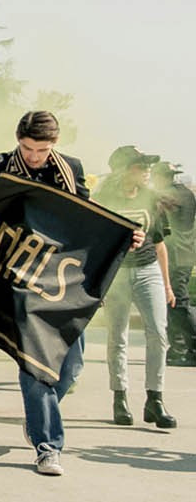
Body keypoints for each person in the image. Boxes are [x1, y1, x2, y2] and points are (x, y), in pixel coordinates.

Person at [0, 111, 97, 476]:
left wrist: (126, 237)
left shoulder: (71, 169)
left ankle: (37, 415)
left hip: (63, 279)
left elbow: (89, 218)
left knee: (71, 366)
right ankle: (48, 446)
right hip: (19, 279)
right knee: (38, 367)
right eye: (27, 148)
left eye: (41, 150)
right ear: (17, 140)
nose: (33, 157)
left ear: (54, 145)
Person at [94, 145, 177, 430]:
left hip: (148, 269)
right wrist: (98, 283)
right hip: (116, 273)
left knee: (158, 332)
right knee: (118, 336)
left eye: (148, 167)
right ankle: (120, 398)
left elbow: (159, 242)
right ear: (124, 169)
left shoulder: (150, 198)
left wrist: (166, 285)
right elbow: (95, 242)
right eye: (141, 166)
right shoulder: (103, 197)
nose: (147, 171)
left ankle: (155, 400)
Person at [153, 161, 196, 367]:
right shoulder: (182, 192)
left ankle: (193, 346)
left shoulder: (177, 194)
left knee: (178, 302)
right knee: (169, 303)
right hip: (178, 255)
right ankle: (178, 348)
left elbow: (156, 199)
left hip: (178, 256)